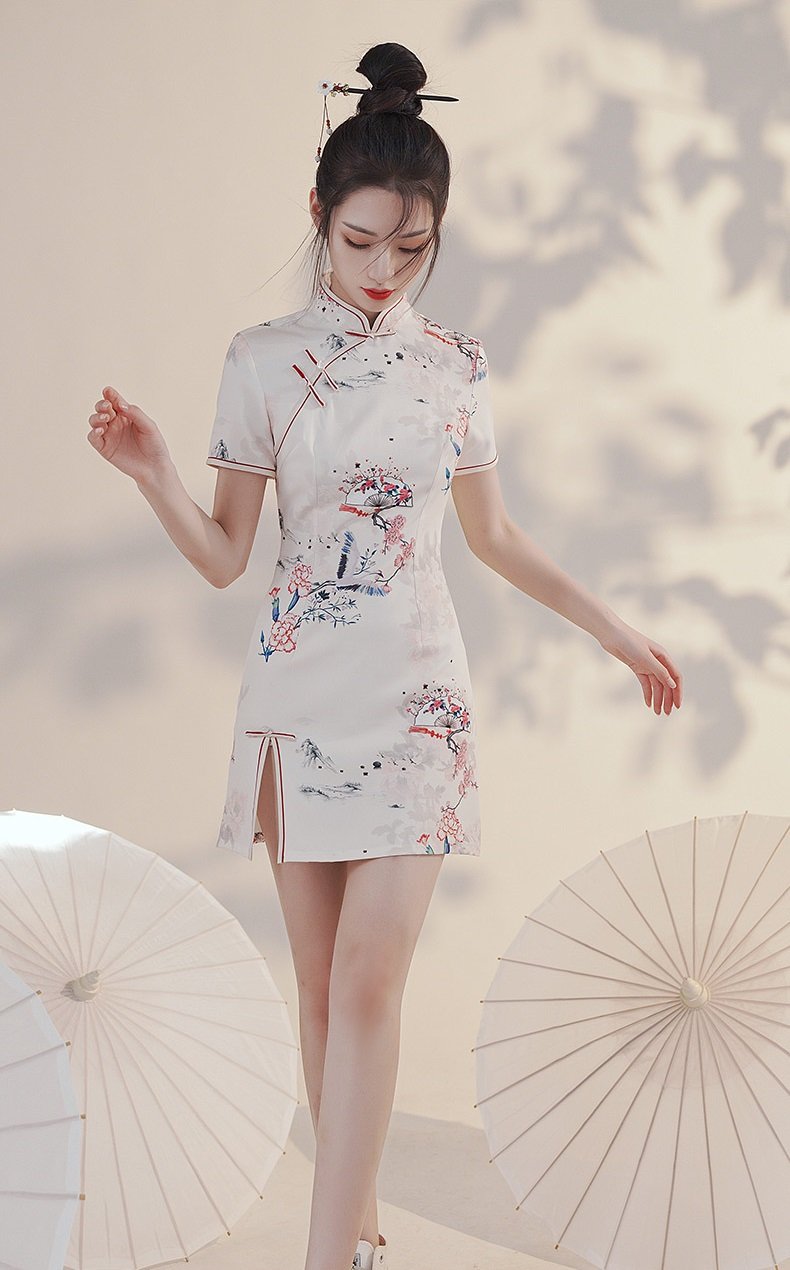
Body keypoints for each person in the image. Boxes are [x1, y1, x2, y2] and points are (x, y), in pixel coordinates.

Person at [86, 40, 683, 1270]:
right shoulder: (260, 358)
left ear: (435, 236)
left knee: (367, 984)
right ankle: (357, 1228)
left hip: (417, 700)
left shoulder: (454, 365)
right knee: (317, 992)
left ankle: (327, 1260)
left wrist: (617, 631)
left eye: (410, 249)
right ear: (319, 212)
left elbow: (495, 537)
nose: (380, 269)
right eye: (360, 241)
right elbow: (225, 555)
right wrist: (152, 470)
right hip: (298, 698)